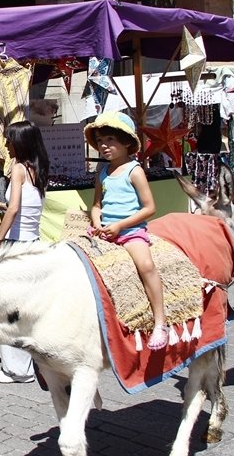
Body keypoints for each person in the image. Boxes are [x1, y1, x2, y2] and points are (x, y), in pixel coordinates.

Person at [86, 111, 167, 351]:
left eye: (110, 140)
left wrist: (121, 225)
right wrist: (97, 222)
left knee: (146, 266)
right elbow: (96, 205)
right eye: (100, 141)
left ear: (126, 143)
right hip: (104, 232)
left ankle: (160, 321)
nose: (104, 145)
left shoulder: (135, 170)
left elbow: (150, 207)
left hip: (130, 231)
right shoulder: (102, 173)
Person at [0, 120, 50, 383]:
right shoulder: (38, 168)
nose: (6, 145)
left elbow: (15, 209)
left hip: (16, 243)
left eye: (9, 140)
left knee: (9, 305)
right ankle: (29, 363)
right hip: (33, 242)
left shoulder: (18, 168)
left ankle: (17, 369)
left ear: (20, 143)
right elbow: (25, 206)